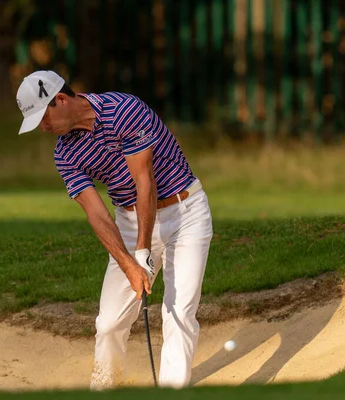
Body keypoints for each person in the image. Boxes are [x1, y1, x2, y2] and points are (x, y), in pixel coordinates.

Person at [15, 70, 214, 390]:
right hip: (128, 219)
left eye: (42, 117)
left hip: (185, 214)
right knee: (109, 323)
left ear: (61, 100)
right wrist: (129, 263)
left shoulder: (124, 110)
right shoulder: (64, 153)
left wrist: (144, 251)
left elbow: (144, 183)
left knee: (178, 314)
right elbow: (97, 214)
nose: (43, 127)